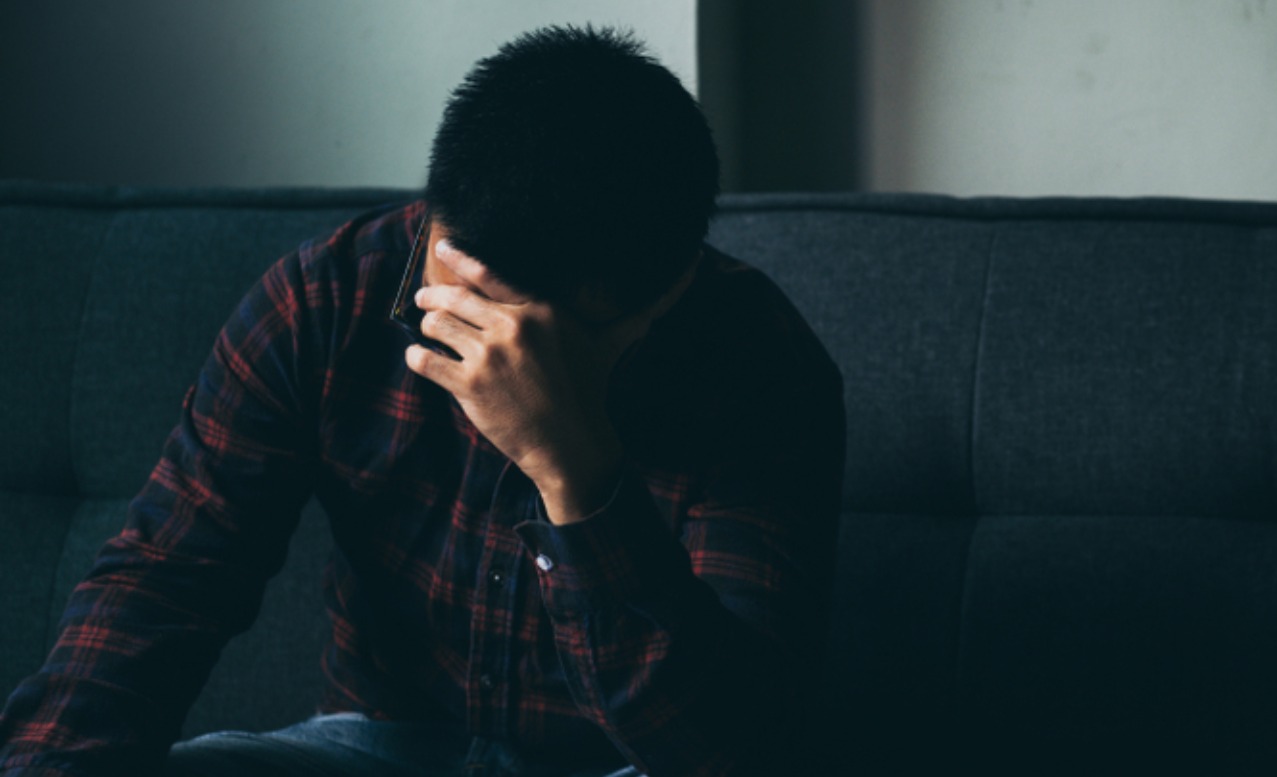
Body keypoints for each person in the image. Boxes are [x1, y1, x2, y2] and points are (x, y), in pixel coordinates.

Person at [0, 25, 843, 777]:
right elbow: (166, 578)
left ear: (655, 300)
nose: (465, 350)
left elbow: (728, 750)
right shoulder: (328, 295)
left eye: (505, 331)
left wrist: (576, 474)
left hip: (617, 761)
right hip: (376, 744)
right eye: (442, 296)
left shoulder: (757, 360)